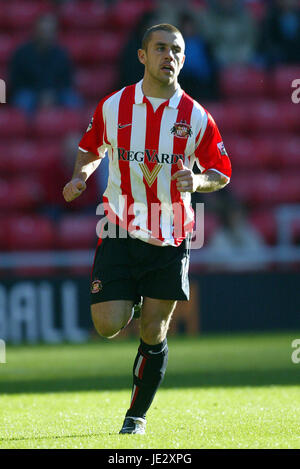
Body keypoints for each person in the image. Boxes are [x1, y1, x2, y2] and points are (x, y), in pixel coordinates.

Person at [62, 23, 231, 435]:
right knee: (106, 326)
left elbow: (221, 173)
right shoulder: (114, 106)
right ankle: (131, 298)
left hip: (170, 236)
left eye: (176, 49)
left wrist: (199, 181)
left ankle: (134, 418)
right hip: (119, 229)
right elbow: (89, 150)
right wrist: (81, 177)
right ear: (142, 56)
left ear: (184, 59)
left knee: (154, 331)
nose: (168, 55)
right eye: (160, 48)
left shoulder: (196, 117)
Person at [9, 14, 82, 114]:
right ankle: (27, 129)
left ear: (55, 33)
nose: (46, 35)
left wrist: (53, 95)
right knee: (22, 101)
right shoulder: (21, 53)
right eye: (43, 31)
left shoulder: (62, 55)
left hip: (56, 93)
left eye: (49, 31)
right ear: (35, 31)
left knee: (73, 101)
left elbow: (67, 81)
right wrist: (40, 95)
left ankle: (74, 129)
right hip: (31, 92)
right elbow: (16, 83)